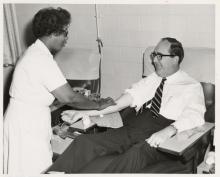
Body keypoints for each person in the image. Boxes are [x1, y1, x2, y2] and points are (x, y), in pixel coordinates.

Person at [46, 37, 206, 173]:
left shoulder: (191, 86)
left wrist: (169, 130)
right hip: (134, 128)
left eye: (159, 56)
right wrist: (85, 113)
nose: (154, 60)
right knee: (85, 142)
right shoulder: (153, 79)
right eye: (154, 55)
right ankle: (55, 173)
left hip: (160, 136)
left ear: (175, 58)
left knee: (134, 155)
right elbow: (119, 103)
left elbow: (195, 115)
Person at [3, 7, 114, 175]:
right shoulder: (41, 59)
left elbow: (40, 93)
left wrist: (68, 93)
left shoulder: (35, 52)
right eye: (65, 33)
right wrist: (98, 105)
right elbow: (70, 97)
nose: (66, 38)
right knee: (34, 168)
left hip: (22, 118)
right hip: (26, 125)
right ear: (53, 33)